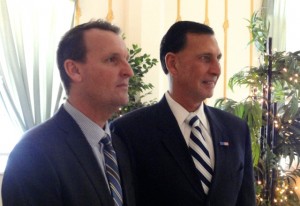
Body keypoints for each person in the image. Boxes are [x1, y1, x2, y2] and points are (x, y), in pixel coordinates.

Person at [110, 21, 256, 206]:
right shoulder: (128, 132)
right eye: (205, 58)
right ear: (173, 63)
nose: (216, 70)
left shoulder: (236, 129)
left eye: (218, 58)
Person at [1, 19, 135, 206]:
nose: (128, 71)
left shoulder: (118, 146)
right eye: (112, 60)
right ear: (74, 70)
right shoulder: (32, 152)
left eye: (126, 60)